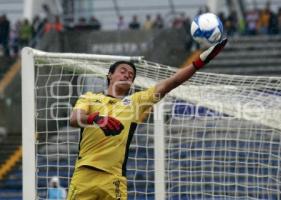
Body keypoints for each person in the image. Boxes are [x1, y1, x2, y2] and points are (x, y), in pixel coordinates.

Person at [67, 38, 228, 200]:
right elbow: (75, 119)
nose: (127, 75)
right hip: (84, 174)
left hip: (113, 180)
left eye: (131, 75)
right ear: (110, 75)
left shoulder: (136, 102)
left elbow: (170, 83)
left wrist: (198, 62)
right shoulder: (89, 97)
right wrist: (95, 118)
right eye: (123, 71)